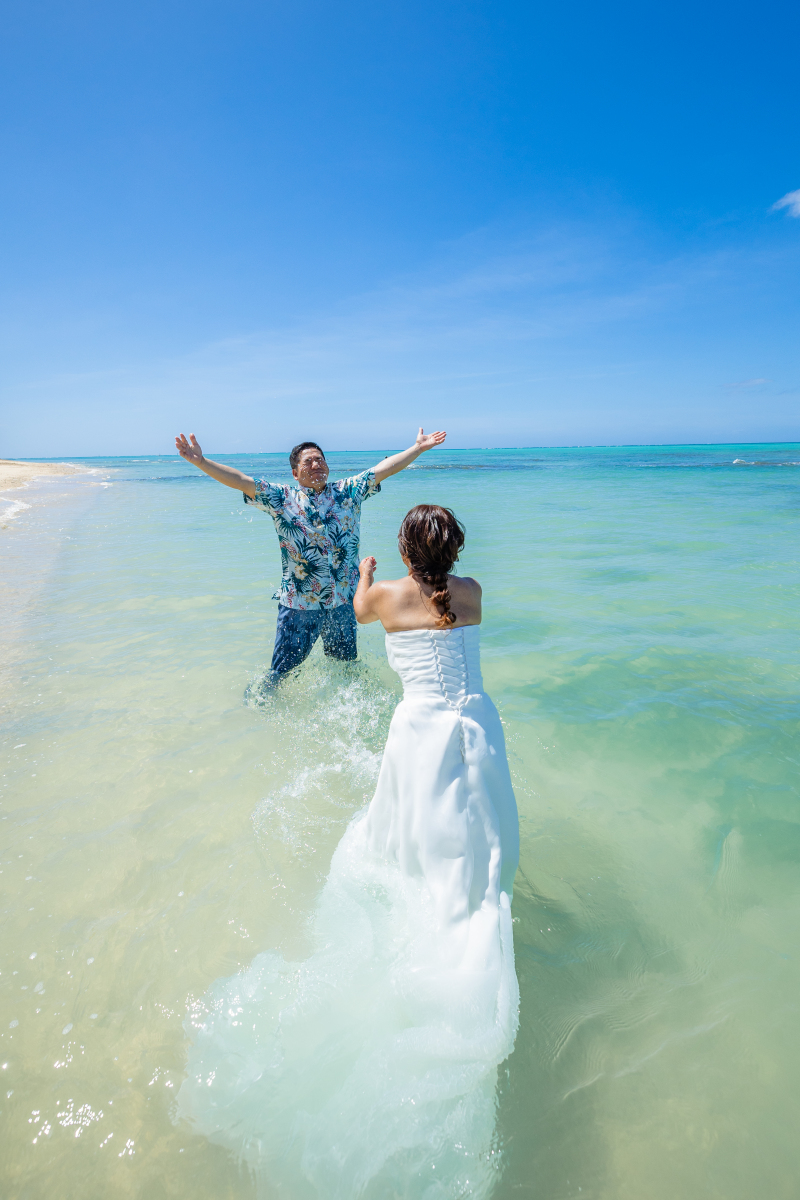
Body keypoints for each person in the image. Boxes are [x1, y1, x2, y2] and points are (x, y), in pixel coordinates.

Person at [177, 504, 520, 1197]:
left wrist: (364, 569)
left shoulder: (388, 595)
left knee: (411, 835)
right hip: (475, 723)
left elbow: (362, 610)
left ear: (403, 547)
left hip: (421, 730)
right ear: (457, 549)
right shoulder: (475, 591)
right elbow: (445, 611)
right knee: (477, 828)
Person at [174, 429, 446, 683]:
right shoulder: (282, 498)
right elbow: (241, 481)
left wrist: (417, 449)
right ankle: (260, 710)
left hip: (342, 602)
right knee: (280, 674)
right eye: (308, 462)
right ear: (295, 472)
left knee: (345, 670)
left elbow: (383, 470)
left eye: (320, 459)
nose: (316, 465)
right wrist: (202, 462)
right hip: (299, 605)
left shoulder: (347, 492)